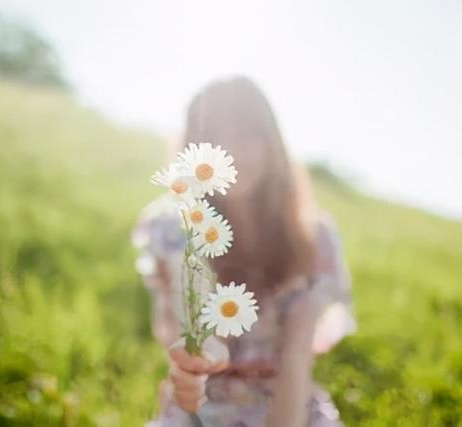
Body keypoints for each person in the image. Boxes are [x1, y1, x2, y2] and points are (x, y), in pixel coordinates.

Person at [132, 76, 356, 426]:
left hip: (287, 405)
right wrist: (203, 355)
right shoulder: (175, 227)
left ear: (272, 143)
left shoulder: (315, 239)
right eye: (213, 138)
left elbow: (296, 355)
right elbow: (181, 330)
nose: (230, 152)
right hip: (199, 409)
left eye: (247, 135)